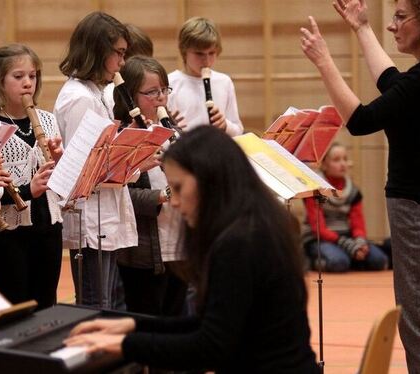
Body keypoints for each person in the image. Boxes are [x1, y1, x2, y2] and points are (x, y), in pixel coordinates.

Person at [65, 126, 320, 373]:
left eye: (178, 188)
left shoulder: (239, 243)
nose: (173, 202)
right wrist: (133, 325)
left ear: (209, 181)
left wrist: (124, 345)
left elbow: (210, 347)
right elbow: (208, 324)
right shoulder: (251, 227)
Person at [300, 0, 420, 372]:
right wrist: (361, 27)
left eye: (400, 17)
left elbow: (360, 121)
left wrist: (324, 61)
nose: (392, 26)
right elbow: (391, 81)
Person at [54, 11, 137, 309]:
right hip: (90, 217)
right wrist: (129, 157)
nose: (122, 62)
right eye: (118, 53)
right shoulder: (80, 98)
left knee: (106, 304)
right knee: (94, 307)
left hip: (103, 213)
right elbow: (83, 168)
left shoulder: (96, 93)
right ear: (98, 50)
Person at [0, 43, 63, 309]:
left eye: (32, 76)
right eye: (18, 76)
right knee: (15, 307)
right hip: (8, 233)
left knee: (46, 305)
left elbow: (59, 178)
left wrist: (58, 159)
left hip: (48, 226)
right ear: (0, 81)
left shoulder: (47, 120)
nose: (27, 83)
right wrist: (26, 191)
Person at [112, 55, 187, 316]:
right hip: (143, 253)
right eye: (151, 92)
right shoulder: (123, 137)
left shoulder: (173, 131)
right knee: (148, 319)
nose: (161, 98)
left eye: (164, 90)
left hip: (179, 246)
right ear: (130, 97)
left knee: (177, 320)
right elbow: (121, 195)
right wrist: (163, 195)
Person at [302, 143, 388, 272]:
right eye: (336, 160)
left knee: (379, 261)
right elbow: (318, 228)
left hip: (347, 237)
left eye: (345, 159)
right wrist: (348, 245)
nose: (343, 164)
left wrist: (359, 242)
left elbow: (358, 224)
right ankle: (314, 261)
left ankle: (351, 258)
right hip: (320, 239)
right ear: (324, 164)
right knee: (338, 262)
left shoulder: (353, 191)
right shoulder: (314, 189)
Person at [167, 17, 243, 136]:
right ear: (184, 51)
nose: (206, 61)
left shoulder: (224, 82)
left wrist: (225, 125)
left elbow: (238, 131)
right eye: (199, 54)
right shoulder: (170, 83)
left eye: (211, 53)